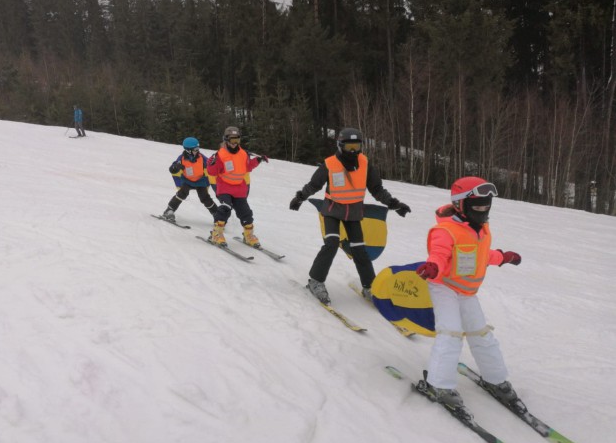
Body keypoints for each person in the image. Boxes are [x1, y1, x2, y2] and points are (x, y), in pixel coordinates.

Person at [415, 176, 522, 409]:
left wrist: (504, 257)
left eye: (486, 206)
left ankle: (496, 380)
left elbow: (481, 255)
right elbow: (439, 255)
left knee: (481, 334)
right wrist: (433, 267)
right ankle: (439, 384)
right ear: (460, 204)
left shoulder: (481, 229)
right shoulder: (445, 231)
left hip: (466, 291)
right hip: (444, 286)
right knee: (451, 333)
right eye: (478, 206)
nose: (483, 211)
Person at [289, 128, 411, 305]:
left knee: (360, 249)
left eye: (357, 146)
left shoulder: (365, 163)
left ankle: (370, 287)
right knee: (331, 243)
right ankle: (315, 281)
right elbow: (315, 184)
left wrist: (394, 204)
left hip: (353, 214)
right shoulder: (330, 163)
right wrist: (300, 197)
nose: (353, 151)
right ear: (340, 146)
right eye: (349, 146)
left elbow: (377, 189)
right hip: (332, 211)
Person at [206, 126, 268, 247]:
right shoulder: (220, 155)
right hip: (224, 187)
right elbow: (212, 172)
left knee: (246, 212)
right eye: (232, 140)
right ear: (226, 140)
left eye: (237, 140)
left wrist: (258, 160)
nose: (234, 143)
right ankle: (216, 233)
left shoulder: (243, 154)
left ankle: (248, 235)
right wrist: (211, 163)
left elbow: (248, 167)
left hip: (239, 188)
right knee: (225, 208)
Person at [161, 137, 218, 221]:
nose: (197, 151)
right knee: (182, 193)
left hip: (200, 180)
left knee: (205, 197)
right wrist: (175, 167)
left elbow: (209, 163)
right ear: (188, 150)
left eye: (198, 148)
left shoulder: (201, 157)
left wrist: (214, 162)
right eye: (195, 149)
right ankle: (169, 211)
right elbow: (173, 168)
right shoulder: (182, 158)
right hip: (187, 180)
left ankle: (217, 215)